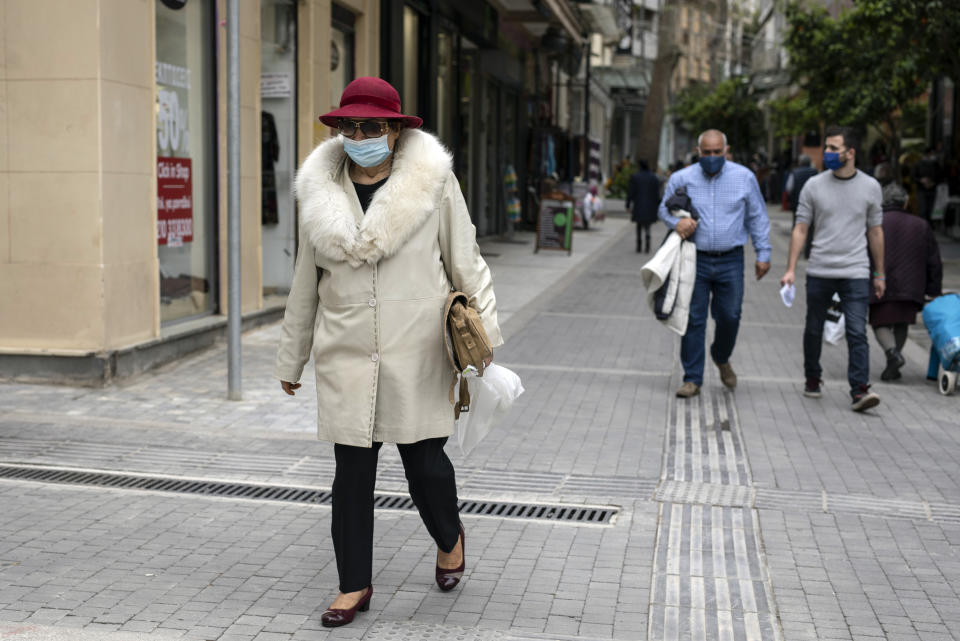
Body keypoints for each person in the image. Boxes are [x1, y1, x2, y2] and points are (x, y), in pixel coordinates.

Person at [275, 77, 502, 627]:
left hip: (418, 350)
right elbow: (305, 281)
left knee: (425, 467)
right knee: (350, 477)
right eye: (349, 126)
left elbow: (467, 265)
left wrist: (486, 344)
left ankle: (449, 537)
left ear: (396, 132)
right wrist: (292, 357)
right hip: (346, 351)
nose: (359, 136)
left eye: (372, 126)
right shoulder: (319, 193)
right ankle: (353, 585)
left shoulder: (435, 185)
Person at [658, 129, 772, 398]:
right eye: (706, 153)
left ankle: (721, 357)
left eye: (716, 152)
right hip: (694, 258)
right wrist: (677, 223)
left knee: (730, 316)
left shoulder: (744, 177)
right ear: (698, 152)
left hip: (731, 260)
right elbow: (663, 209)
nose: (711, 157)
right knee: (693, 319)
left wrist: (763, 253)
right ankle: (692, 378)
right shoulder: (681, 178)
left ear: (726, 150)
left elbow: (757, 216)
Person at [780, 125, 885, 412]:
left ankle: (859, 391)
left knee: (856, 331)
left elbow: (875, 232)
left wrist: (880, 273)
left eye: (833, 148)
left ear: (850, 153)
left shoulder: (870, 187)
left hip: (856, 271)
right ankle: (812, 377)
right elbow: (801, 228)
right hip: (820, 270)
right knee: (814, 328)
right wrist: (790, 269)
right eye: (826, 147)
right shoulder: (813, 186)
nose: (826, 153)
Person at [869, 183, 942, 380]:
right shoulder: (921, 225)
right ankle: (893, 363)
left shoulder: (875, 223)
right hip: (912, 285)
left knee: (879, 322)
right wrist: (934, 289)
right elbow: (933, 260)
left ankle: (892, 354)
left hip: (880, 282)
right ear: (906, 202)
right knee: (902, 323)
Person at [785, 154, 819, 259]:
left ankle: (797, 250)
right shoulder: (816, 173)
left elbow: (788, 188)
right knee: (811, 229)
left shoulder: (795, 173)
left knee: (798, 226)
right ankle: (808, 251)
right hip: (814, 204)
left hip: (797, 203)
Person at [626, 160, 662, 252]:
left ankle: (639, 245)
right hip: (650, 206)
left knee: (639, 225)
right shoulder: (654, 178)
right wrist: (658, 206)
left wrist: (628, 204)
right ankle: (647, 244)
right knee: (648, 226)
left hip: (638, 205)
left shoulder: (635, 177)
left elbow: (630, 192)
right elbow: (657, 194)